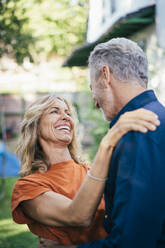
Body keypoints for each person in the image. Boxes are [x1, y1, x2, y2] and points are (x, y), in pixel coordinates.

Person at [11, 93, 159, 248]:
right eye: (55, 111)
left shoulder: (92, 172)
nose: (66, 117)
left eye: (68, 113)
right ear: (35, 126)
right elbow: (77, 216)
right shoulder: (28, 187)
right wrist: (108, 143)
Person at [76, 38, 165, 248]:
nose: (94, 100)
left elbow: (132, 242)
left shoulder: (138, 129)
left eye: (92, 87)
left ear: (105, 75)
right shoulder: (158, 116)